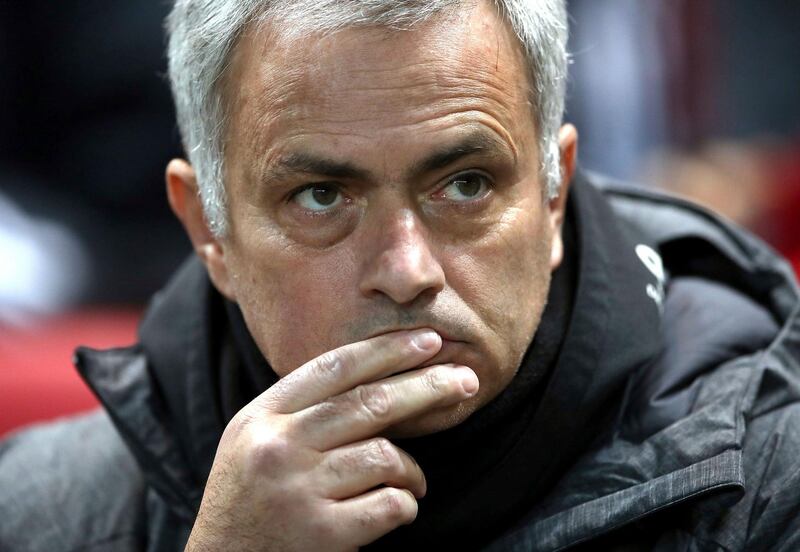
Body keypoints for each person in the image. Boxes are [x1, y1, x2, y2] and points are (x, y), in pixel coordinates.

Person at [2, 1, 799, 550]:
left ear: (553, 197)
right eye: (321, 197)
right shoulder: (37, 510)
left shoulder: (773, 485)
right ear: (209, 229)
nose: (408, 272)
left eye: (466, 185)